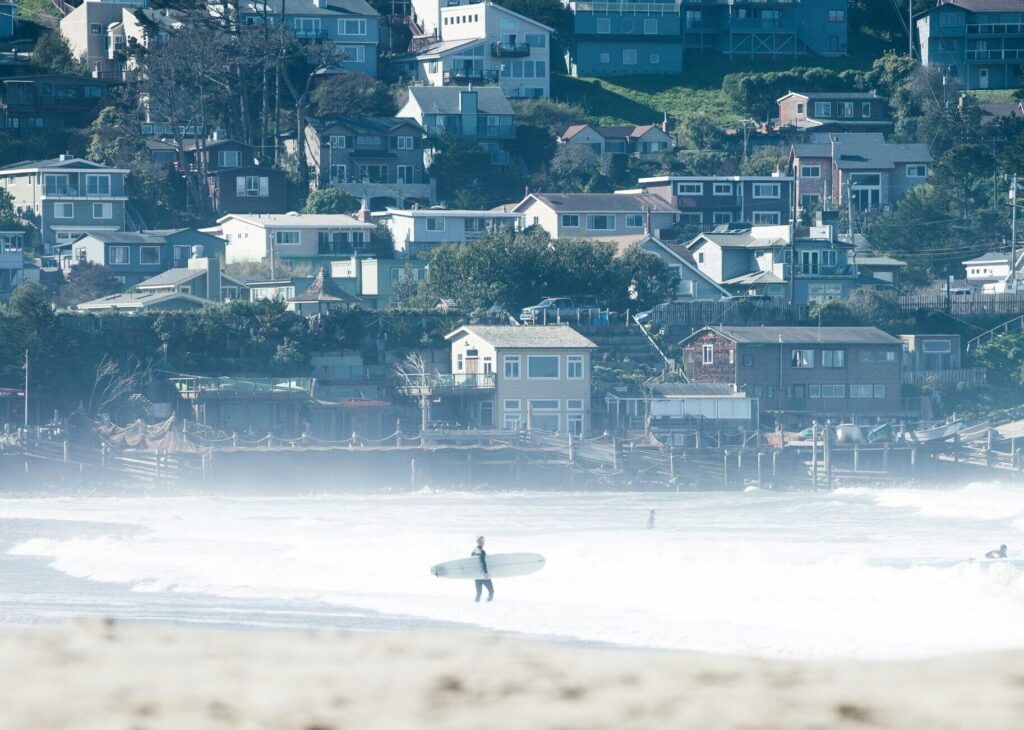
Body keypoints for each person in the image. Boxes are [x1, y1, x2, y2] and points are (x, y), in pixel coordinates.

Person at [472, 535, 493, 602]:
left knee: (478, 593)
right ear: (480, 542)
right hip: (483, 575)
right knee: (491, 591)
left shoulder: (473, 552)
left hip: (477, 576)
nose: (484, 543)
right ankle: (488, 604)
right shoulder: (482, 552)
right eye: (483, 541)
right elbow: (483, 562)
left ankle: (475, 607)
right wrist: (486, 573)